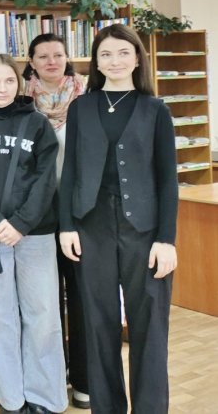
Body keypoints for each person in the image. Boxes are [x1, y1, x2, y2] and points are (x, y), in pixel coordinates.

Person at [59, 24, 177, 414]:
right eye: (106, 54)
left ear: (138, 58)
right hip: (91, 227)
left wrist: (166, 239)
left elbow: (168, 180)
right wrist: (66, 225)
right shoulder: (81, 108)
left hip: (144, 230)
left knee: (149, 326)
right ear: (95, 61)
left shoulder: (156, 110)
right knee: (98, 323)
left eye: (123, 53)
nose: (115, 61)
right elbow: (70, 172)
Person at [0, 54, 65, 414]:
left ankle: (45, 397)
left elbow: (46, 179)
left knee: (43, 315)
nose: (2, 88)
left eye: (8, 81)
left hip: (36, 233)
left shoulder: (37, 124)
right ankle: (10, 397)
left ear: (18, 84)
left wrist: (21, 223)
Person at [24, 33, 89, 409]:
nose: (52, 61)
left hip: (80, 215)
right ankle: (51, 376)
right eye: (43, 56)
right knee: (44, 303)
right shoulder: (21, 103)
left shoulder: (88, 99)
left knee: (81, 298)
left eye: (58, 54)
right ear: (31, 62)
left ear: (68, 57)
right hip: (37, 216)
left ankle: (83, 380)